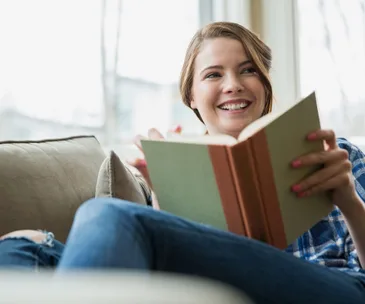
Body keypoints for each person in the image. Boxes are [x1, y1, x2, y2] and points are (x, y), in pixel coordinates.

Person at [1, 21, 365, 303]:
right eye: (213, 74)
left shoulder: (335, 153)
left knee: (104, 214)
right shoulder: (182, 166)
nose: (233, 84)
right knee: (25, 244)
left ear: (266, 84)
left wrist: (348, 198)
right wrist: (164, 201)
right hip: (221, 287)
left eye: (248, 70)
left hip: (332, 286)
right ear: (191, 96)